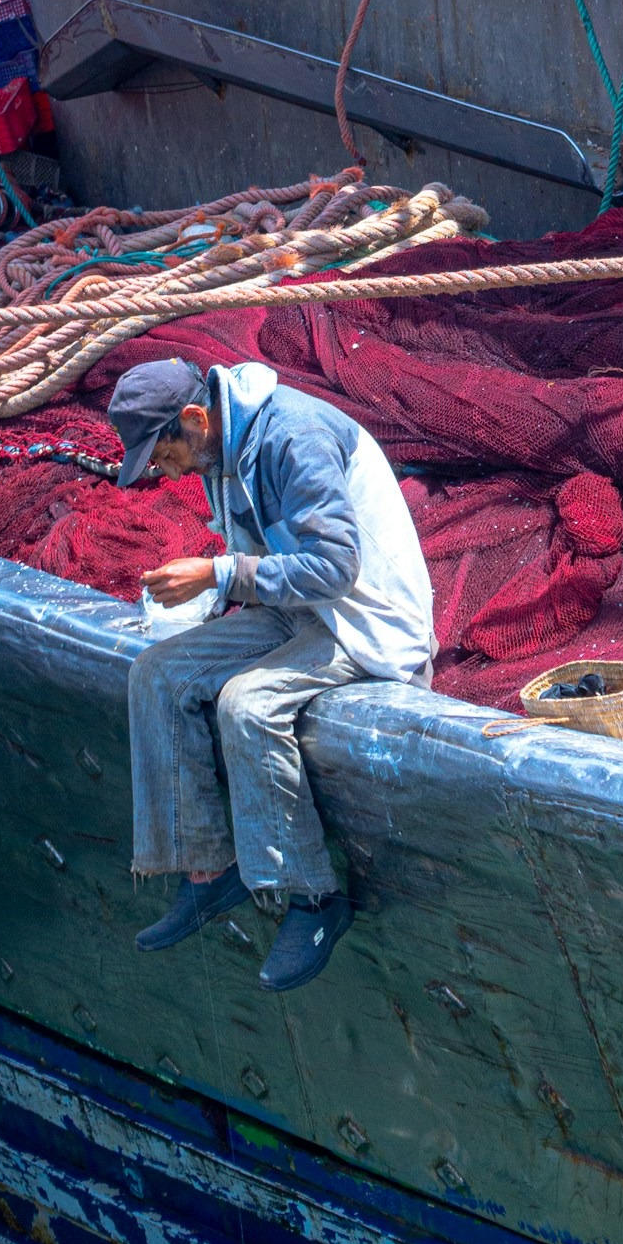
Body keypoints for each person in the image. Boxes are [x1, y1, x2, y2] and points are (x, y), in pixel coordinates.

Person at [109, 356, 435, 993]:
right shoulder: (220, 449)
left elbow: (337, 569)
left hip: (364, 621)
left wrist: (217, 574)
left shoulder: (293, 437)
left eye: (161, 453)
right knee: (155, 674)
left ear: (196, 419)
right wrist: (215, 586)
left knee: (246, 704)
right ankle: (207, 872)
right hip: (296, 610)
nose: (159, 471)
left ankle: (312, 899)